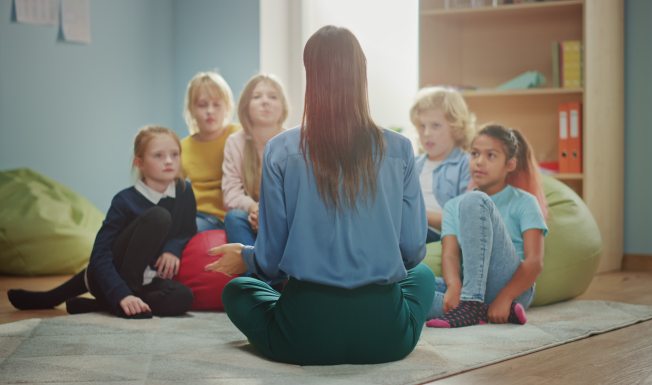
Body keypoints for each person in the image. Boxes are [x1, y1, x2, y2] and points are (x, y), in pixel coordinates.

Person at [205, 25, 435, 365]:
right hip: (386, 337)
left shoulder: (279, 150)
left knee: (238, 291)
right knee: (425, 277)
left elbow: (269, 261)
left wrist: (246, 255)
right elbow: (414, 252)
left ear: (311, 75)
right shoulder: (401, 148)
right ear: (361, 74)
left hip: (303, 336)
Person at [7, 126, 196, 318]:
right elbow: (100, 254)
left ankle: (101, 305)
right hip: (111, 276)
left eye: (175, 154)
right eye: (158, 155)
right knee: (159, 217)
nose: (169, 161)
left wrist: (172, 249)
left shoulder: (184, 192)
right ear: (139, 162)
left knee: (184, 298)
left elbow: (186, 230)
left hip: (147, 280)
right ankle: (116, 299)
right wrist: (122, 295)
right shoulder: (124, 200)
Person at [426, 123, 548, 328]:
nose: (479, 162)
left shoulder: (525, 201)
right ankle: (480, 309)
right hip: (467, 286)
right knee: (408, 291)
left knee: (473, 200)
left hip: (509, 287)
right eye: (474, 154)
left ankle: (473, 306)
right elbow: (450, 254)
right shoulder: (452, 205)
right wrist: (454, 286)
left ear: (510, 164)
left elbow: (535, 261)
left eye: (491, 156)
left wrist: (505, 298)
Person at [222, 73, 289, 246]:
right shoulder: (235, 142)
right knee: (233, 217)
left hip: (285, 218)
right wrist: (255, 209)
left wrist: (269, 214)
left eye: (273, 97)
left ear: (282, 107)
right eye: (257, 97)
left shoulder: (293, 143)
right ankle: (254, 271)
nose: (265, 102)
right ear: (245, 107)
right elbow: (231, 194)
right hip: (251, 216)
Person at [410, 86, 475, 243]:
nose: (426, 133)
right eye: (422, 126)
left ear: (456, 128)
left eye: (435, 125)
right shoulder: (413, 164)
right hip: (407, 227)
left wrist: (417, 214)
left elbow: (465, 219)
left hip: (434, 233)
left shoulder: (467, 164)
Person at [181, 71, 240, 232]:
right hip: (195, 215)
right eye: (202, 105)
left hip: (232, 216)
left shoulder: (239, 135)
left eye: (216, 104)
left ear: (227, 106)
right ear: (191, 109)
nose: (210, 111)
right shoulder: (182, 148)